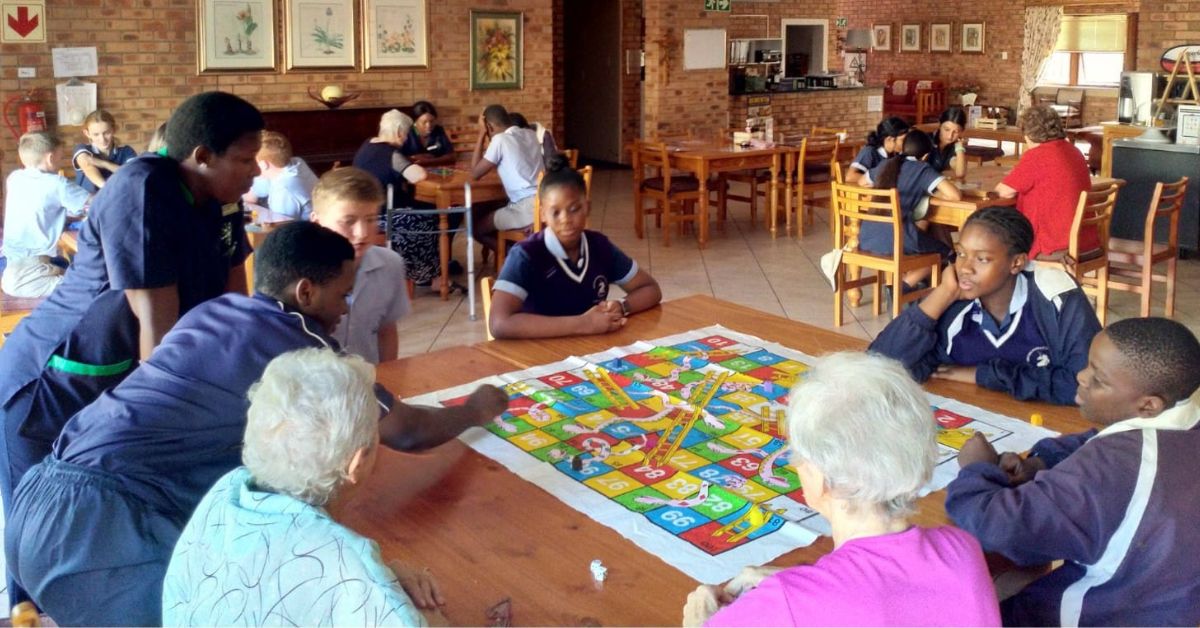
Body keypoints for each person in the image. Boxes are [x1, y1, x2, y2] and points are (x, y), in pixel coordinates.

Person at [4, 221, 506, 626]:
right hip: (100, 528)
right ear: (306, 291)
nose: (345, 308)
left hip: (38, 494)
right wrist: (476, 409)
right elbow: (405, 431)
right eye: (342, 294)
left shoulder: (217, 310)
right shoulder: (296, 340)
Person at [0, 91, 261, 607]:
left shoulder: (220, 199)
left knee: (101, 526)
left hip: (117, 378)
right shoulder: (143, 189)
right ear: (202, 157)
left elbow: (236, 301)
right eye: (245, 159)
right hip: (52, 380)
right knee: (39, 533)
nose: (255, 172)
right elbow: (157, 332)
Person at [683, 352, 1000, 627]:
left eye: (797, 456)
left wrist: (700, 621)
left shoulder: (785, 603)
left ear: (820, 478)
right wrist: (799, 585)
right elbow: (880, 592)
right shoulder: (963, 548)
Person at [946, 317, 1200, 626]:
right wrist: (1039, 464)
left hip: (1096, 615)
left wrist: (977, 469)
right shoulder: (1180, 425)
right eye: (1088, 365)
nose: (1081, 377)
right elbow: (1098, 440)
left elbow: (997, 528)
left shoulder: (1110, 467)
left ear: (1148, 406)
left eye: (1099, 378)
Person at [163, 348, 444, 626]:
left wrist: (381, 581)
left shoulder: (227, 491)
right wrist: (405, 604)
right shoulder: (348, 565)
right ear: (356, 464)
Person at [869, 206, 1101, 406]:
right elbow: (876, 368)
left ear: (1017, 262)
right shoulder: (955, 304)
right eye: (961, 253)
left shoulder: (1055, 297)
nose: (965, 268)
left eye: (982, 259)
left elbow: (1087, 387)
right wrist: (941, 294)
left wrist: (986, 375)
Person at [490, 154, 660, 338]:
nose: (566, 220)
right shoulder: (527, 254)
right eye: (555, 212)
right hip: (540, 355)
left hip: (590, 352)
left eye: (574, 209)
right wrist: (583, 324)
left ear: (587, 207)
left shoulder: (599, 246)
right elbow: (499, 324)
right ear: (542, 214)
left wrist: (621, 305)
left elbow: (651, 289)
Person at [310, 167, 411, 363]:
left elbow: (386, 330)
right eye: (348, 221)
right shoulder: (298, 271)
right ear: (317, 222)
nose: (362, 232)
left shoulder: (390, 264)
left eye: (371, 219)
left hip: (367, 378)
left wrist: (389, 379)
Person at [354, 109, 446, 286]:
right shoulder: (391, 153)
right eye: (406, 135)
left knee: (423, 210)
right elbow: (418, 176)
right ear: (398, 132)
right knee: (427, 217)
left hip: (367, 211)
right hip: (386, 214)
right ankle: (426, 276)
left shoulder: (367, 145)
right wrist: (412, 164)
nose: (406, 139)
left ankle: (425, 271)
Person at [860, 131, 961, 289]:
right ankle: (901, 287)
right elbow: (955, 195)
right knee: (947, 253)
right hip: (898, 238)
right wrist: (932, 191)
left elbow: (862, 181)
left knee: (925, 243)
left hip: (867, 236)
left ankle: (908, 285)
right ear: (926, 155)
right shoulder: (922, 169)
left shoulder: (886, 164)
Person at [993, 104, 1092, 260]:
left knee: (1002, 245)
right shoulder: (1073, 150)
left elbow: (1003, 192)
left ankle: (1011, 283)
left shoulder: (1038, 155)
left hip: (1055, 243)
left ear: (1029, 134)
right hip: (1085, 241)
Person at [1, 131, 89, 298]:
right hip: (29, 266)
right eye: (61, 157)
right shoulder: (57, 184)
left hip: (10, 258)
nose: (62, 161)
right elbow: (93, 202)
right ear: (50, 158)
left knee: (63, 265)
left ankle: (58, 271)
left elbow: (41, 207)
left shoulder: (14, 178)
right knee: (85, 287)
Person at [470, 104, 543, 252]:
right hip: (544, 204)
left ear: (489, 126)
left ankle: (516, 257)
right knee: (493, 208)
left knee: (475, 228)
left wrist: (481, 134)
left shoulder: (500, 140)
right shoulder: (530, 134)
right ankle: (518, 249)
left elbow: (475, 173)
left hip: (525, 210)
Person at [243, 130, 318, 220]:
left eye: (252, 160)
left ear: (264, 165)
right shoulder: (296, 162)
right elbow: (250, 198)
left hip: (301, 229)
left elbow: (280, 226)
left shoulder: (283, 191)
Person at [71, 109, 138, 193]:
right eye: (96, 134)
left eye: (106, 133)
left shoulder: (126, 151)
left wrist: (102, 163)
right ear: (87, 133)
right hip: (90, 202)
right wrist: (107, 190)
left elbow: (133, 174)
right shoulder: (82, 148)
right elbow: (87, 164)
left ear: (114, 129)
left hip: (119, 198)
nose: (102, 139)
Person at [845, 116, 909, 185]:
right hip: (869, 194)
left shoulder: (896, 154)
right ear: (889, 139)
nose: (907, 143)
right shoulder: (869, 152)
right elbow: (850, 177)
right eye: (903, 140)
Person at [401, 100, 456, 166]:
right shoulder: (407, 133)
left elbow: (451, 156)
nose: (429, 125)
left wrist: (430, 161)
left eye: (432, 121)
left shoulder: (438, 130)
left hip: (436, 171)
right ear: (415, 122)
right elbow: (397, 158)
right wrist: (413, 158)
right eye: (424, 122)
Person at [927, 106, 968, 179]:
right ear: (940, 125)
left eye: (955, 132)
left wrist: (960, 148)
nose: (950, 136)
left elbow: (960, 173)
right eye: (946, 129)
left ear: (962, 132)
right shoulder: (927, 140)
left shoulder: (954, 147)